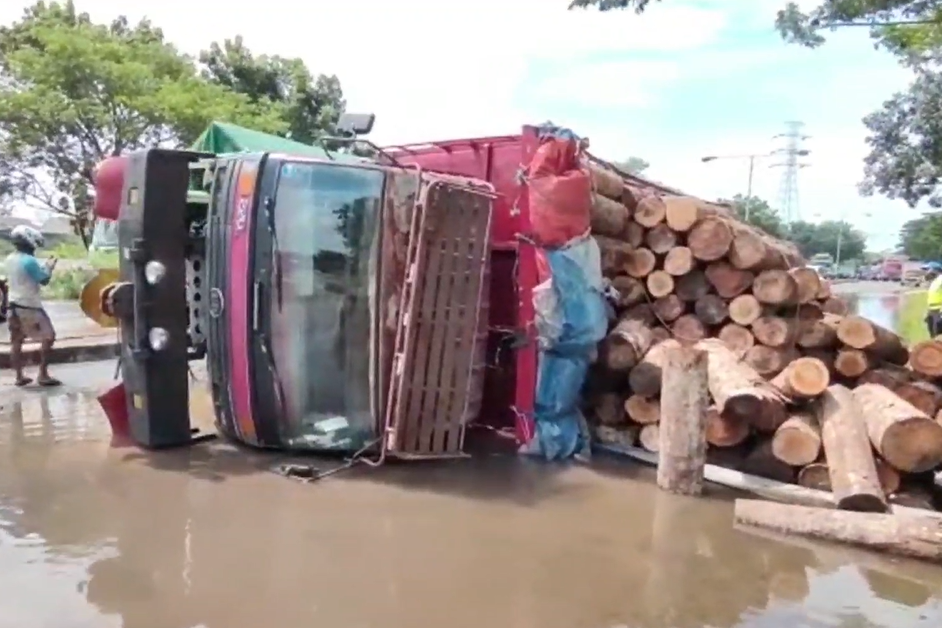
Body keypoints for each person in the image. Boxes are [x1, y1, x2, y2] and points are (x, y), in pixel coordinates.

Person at [4, 225, 60, 387]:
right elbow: (43, 280)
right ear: (29, 241)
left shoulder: (10, 258)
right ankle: (42, 374)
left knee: (16, 341)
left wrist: (42, 269)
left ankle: (19, 376)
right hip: (30, 306)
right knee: (49, 337)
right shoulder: (29, 260)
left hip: (13, 306)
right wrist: (49, 267)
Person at [925, 263, 942, 338]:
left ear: (935, 270)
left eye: (928, 269)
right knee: (933, 335)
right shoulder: (934, 281)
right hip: (932, 311)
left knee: (937, 334)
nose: (926, 272)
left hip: (939, 311)